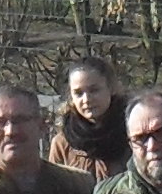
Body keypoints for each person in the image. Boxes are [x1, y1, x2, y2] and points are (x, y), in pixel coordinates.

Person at [51, 51, 131, 180]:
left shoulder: (133, 133)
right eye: (78, 93)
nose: (86, 99)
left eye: (94, 90)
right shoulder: (62, 143)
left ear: (111, 88)